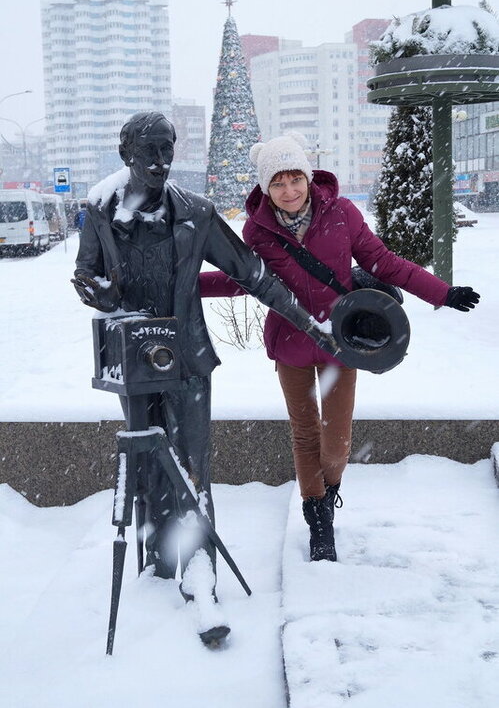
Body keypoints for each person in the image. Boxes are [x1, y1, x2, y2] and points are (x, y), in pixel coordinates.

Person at [70, 113, 340, 642]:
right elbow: (87, 271)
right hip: (133, 359)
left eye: (167, 149)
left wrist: (311, 323)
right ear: (126, 153)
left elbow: (252, 273)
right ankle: (158, 562)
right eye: (149, 150)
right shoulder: (101, 208)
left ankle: (200, 579)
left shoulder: (195, 212)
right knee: (147, 464)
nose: (160, 161)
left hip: (188, 359)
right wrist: (95, 291)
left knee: (194, 466)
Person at [199, 132, 480, 564]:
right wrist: (185, 286)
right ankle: (318, 519)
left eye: (295, 179)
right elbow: (241, 280)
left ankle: (328, 492)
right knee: (304, 433)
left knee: (336, 442)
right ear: (266, 188)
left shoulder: (341, 213)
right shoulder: (257, 230)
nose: (289, 191)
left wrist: (443, 293)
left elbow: (385, 263)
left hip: (339, 344)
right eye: (278, 183)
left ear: (308, 178)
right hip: (291, 344)